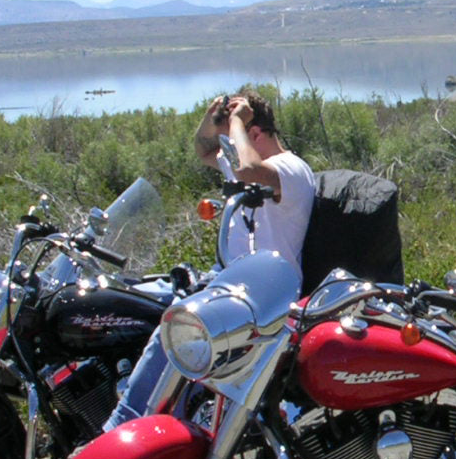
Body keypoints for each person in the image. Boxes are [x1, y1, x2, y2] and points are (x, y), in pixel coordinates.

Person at [104, 90, 316, 429]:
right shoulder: (248, 163)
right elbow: (204, 149)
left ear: (255, 134)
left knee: (174, 330)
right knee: (134, 300)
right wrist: (214, 115)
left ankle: (125, 427)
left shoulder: (289, 170)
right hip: (227, 284)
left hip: (260, 296)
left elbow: (247, 168)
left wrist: (237, 122)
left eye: (238, 135)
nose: (230, 146)